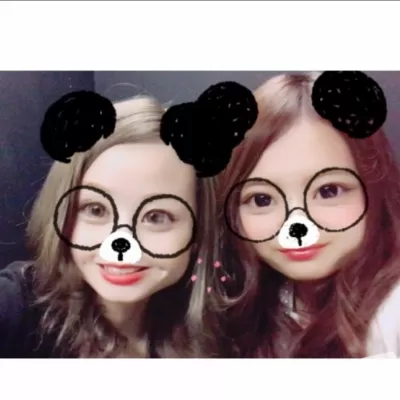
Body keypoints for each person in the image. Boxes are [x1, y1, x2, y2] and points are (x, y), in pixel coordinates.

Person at [0, 94, 225, 358]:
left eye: (157, 216)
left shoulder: (221, 330)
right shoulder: (16, 306)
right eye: (96, 210)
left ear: (198, 231)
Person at [217, 72, 400, 358]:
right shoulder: (250, 305)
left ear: (374, 187)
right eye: (262, 199)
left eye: (328, 191)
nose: (296, 225)